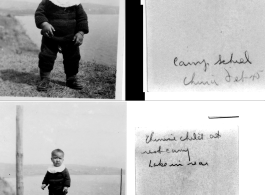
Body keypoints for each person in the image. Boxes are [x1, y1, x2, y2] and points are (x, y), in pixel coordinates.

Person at [35, 0, 89, 92]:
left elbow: (82, 19)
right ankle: (44, 78)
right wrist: (45, 24)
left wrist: (80, 33)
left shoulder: (76, 3)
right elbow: (39, 14)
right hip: (50, 37)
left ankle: (71, 79)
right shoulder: (47, 2)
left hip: (70, 38)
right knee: (46, 57)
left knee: (72, 58)